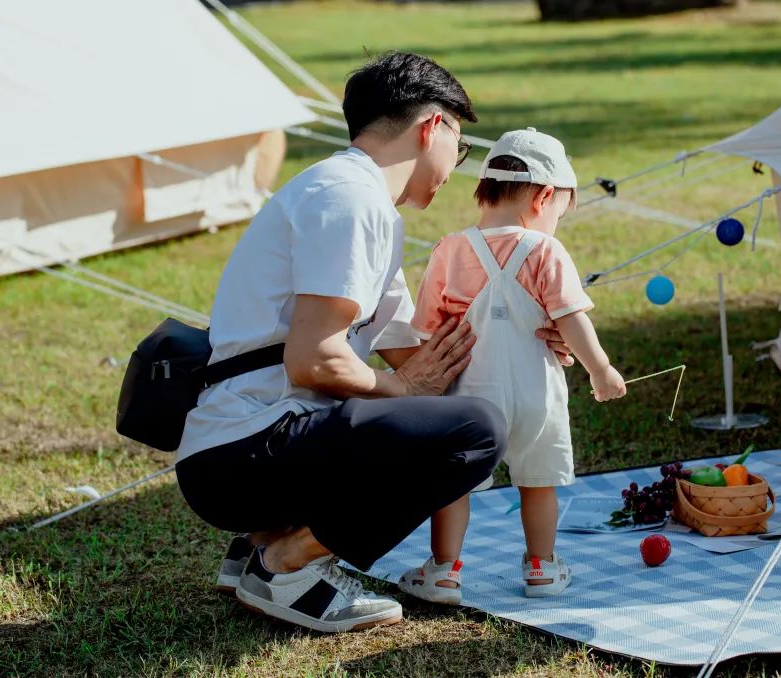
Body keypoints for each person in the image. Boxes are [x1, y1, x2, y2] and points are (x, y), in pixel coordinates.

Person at [173, 53, 572, 634]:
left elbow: (413, 347)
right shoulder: (350, 199)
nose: (453, 168)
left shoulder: (361, 201)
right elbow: (314, 359)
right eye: (458, 148)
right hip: (242, 453)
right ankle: (287, 566)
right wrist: (401, 388)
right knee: (474, 433)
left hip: (242, 447)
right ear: (433, 127)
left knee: (463, 416)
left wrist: (529, 345)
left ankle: (261, 545)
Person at [397, 128, 626, 603]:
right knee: (538, 483)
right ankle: (542, 566)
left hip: (470, 399)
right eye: (561, 211)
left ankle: (444, 570)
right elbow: (572, 319)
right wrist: (600, 370)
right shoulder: (546, 251)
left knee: (454, 486)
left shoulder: (450, 249)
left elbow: (426, 331)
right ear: (545, 196)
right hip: (535, 394)